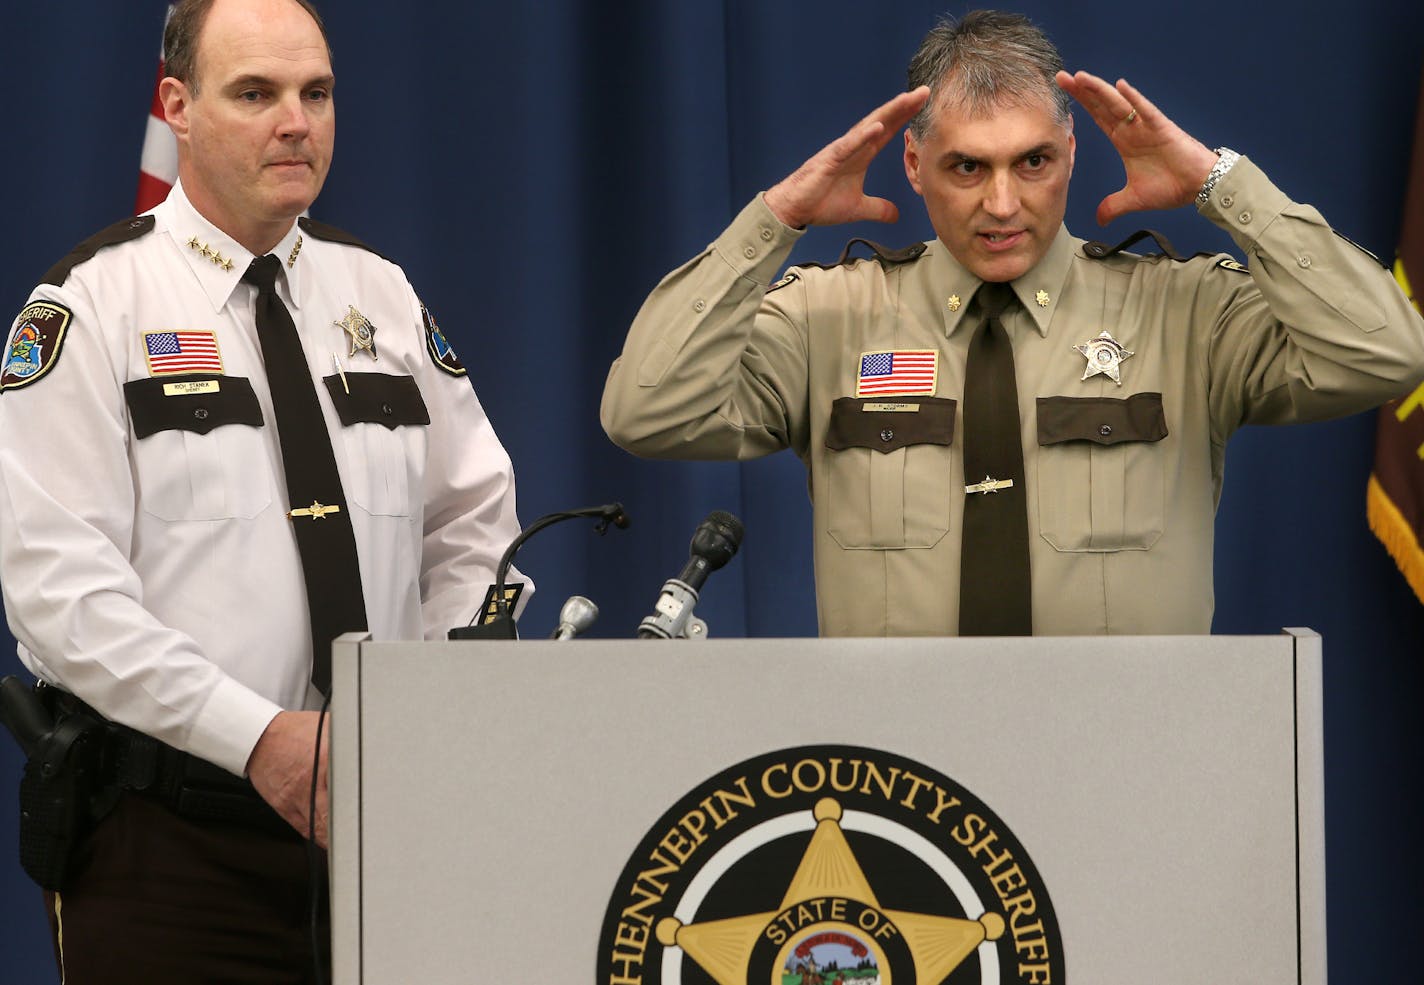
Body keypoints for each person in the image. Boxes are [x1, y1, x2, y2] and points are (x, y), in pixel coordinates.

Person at [0, 0, 529, 980]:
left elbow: (471, 519)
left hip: (388, 825)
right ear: (179, 107)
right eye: (255, 93)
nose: (296, 122)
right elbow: (58, 594)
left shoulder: (379, 294)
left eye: (315, 93)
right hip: (169, 841)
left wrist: (446, 691)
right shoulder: (87, 306)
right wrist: (259, 740)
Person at [601, 10, 1424, 637]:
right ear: (915, 166)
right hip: (904, 787)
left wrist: (1223, 184)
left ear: (1071, 151)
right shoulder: (830, 317)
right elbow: (647, 410)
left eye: (1032, 162)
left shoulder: (1187, 312)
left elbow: (1388, 353)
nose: (1003, 204)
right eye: (968, 167)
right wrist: (774, 221)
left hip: (1130, 771)